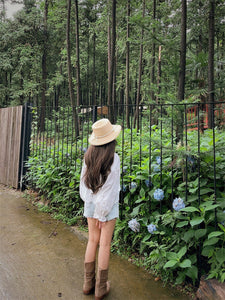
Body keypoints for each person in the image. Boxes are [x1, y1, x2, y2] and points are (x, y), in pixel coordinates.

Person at [79, 118, 121, 300]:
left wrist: (94, 209)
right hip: (107, 208)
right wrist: (102, 215)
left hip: (90, 203)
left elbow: (84, 184)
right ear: (111, 139)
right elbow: (110, 191)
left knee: (92, 241)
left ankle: (88, 284)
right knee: (104, 244)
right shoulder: (114, 158)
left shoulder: (88, 156)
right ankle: (100, 288)